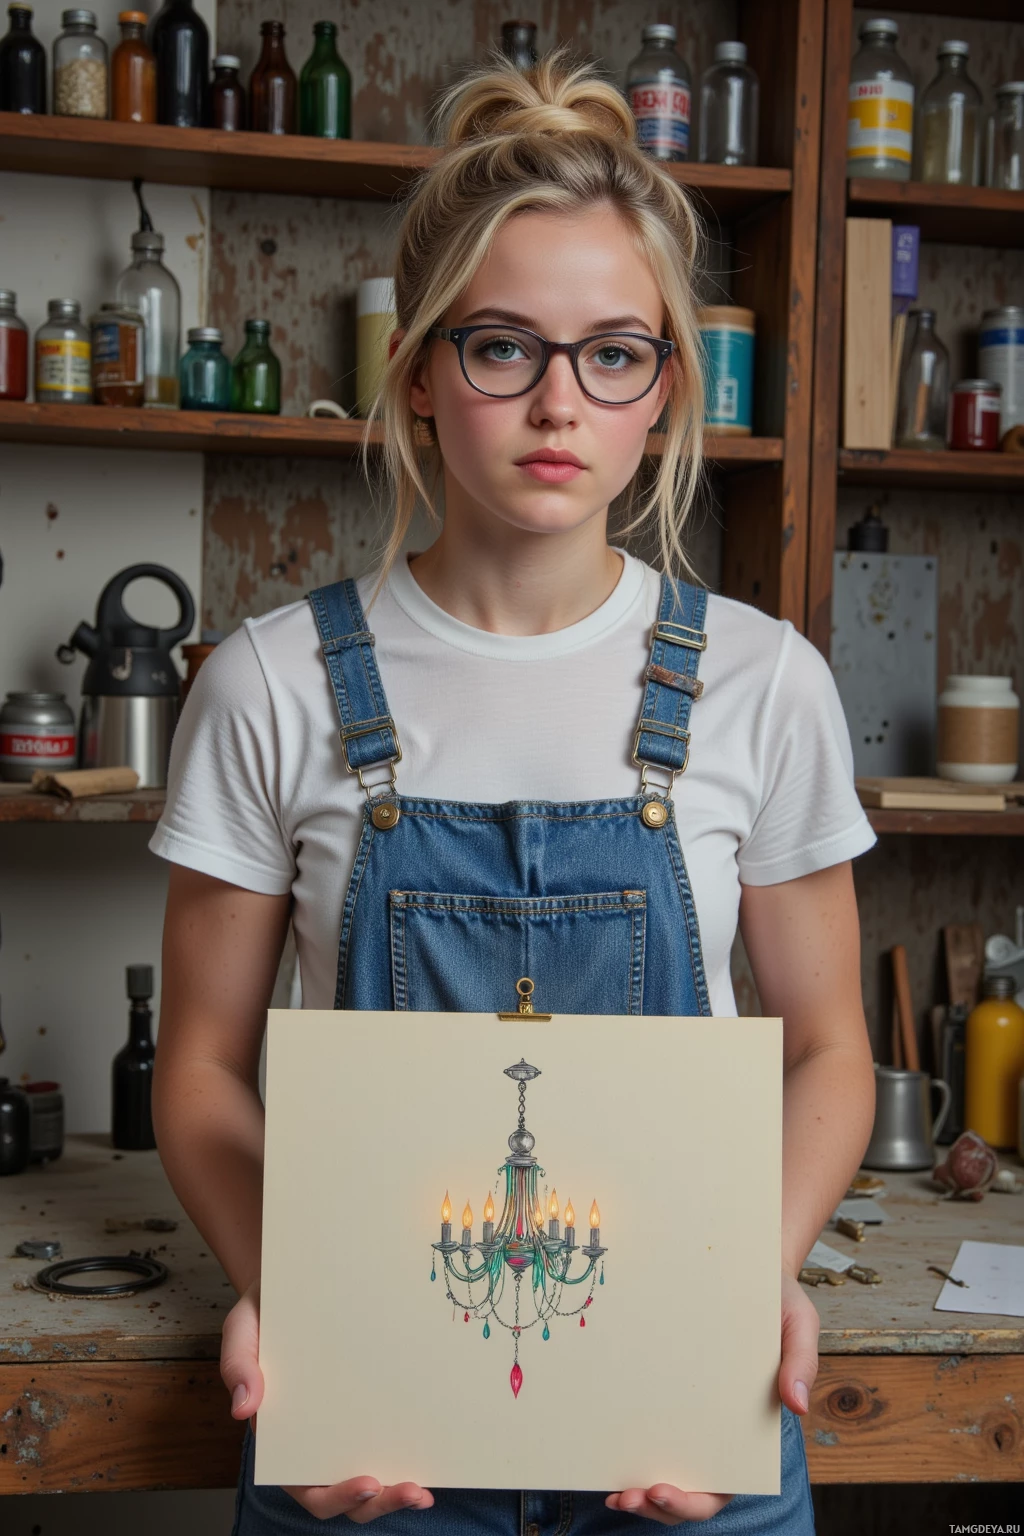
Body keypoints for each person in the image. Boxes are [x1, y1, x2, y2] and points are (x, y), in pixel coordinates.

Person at [151, 50, 877, 1536]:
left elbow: (829, 1055)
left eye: (615, 351)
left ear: (665, 384)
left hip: (686, 1417)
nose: (561, 401)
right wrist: (297, 1305)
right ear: (419, 370)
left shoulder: (763, 681)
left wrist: (748, 1284)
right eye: (503, 347)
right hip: (370, 1439)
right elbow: (203, 1072)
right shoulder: (274, 686)